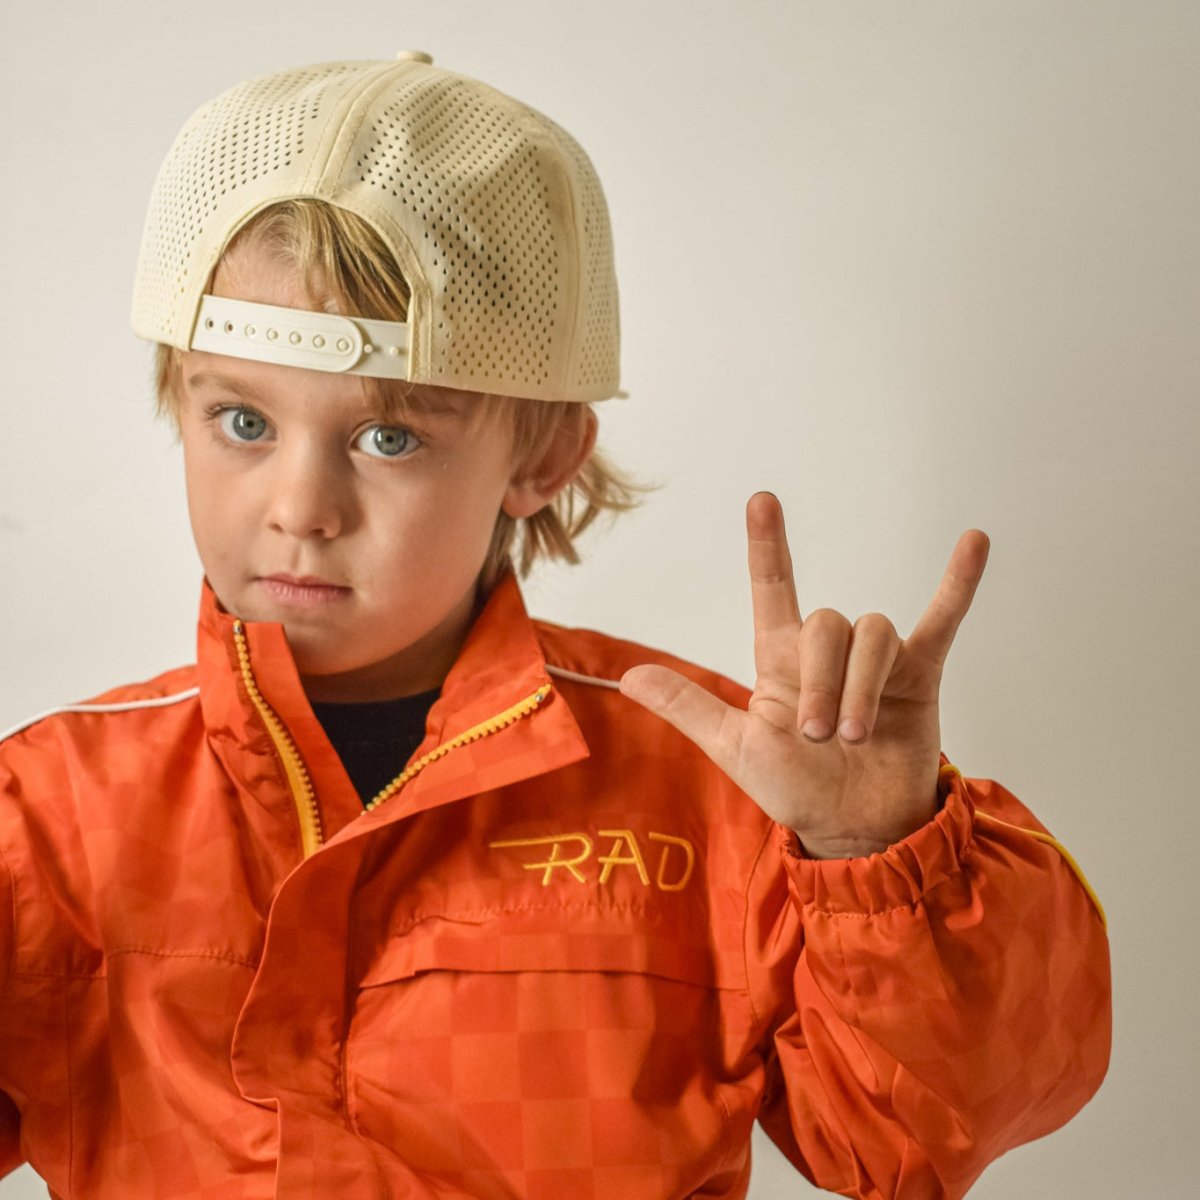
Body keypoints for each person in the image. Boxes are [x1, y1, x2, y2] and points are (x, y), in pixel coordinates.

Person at [0, 50, 1110, 1199]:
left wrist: (877, 861)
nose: (299, 509)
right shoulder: (49, 816)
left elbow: (922, 1130)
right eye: (242, 421)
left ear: (542, 457)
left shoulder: (715, 792)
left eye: (388, 438)